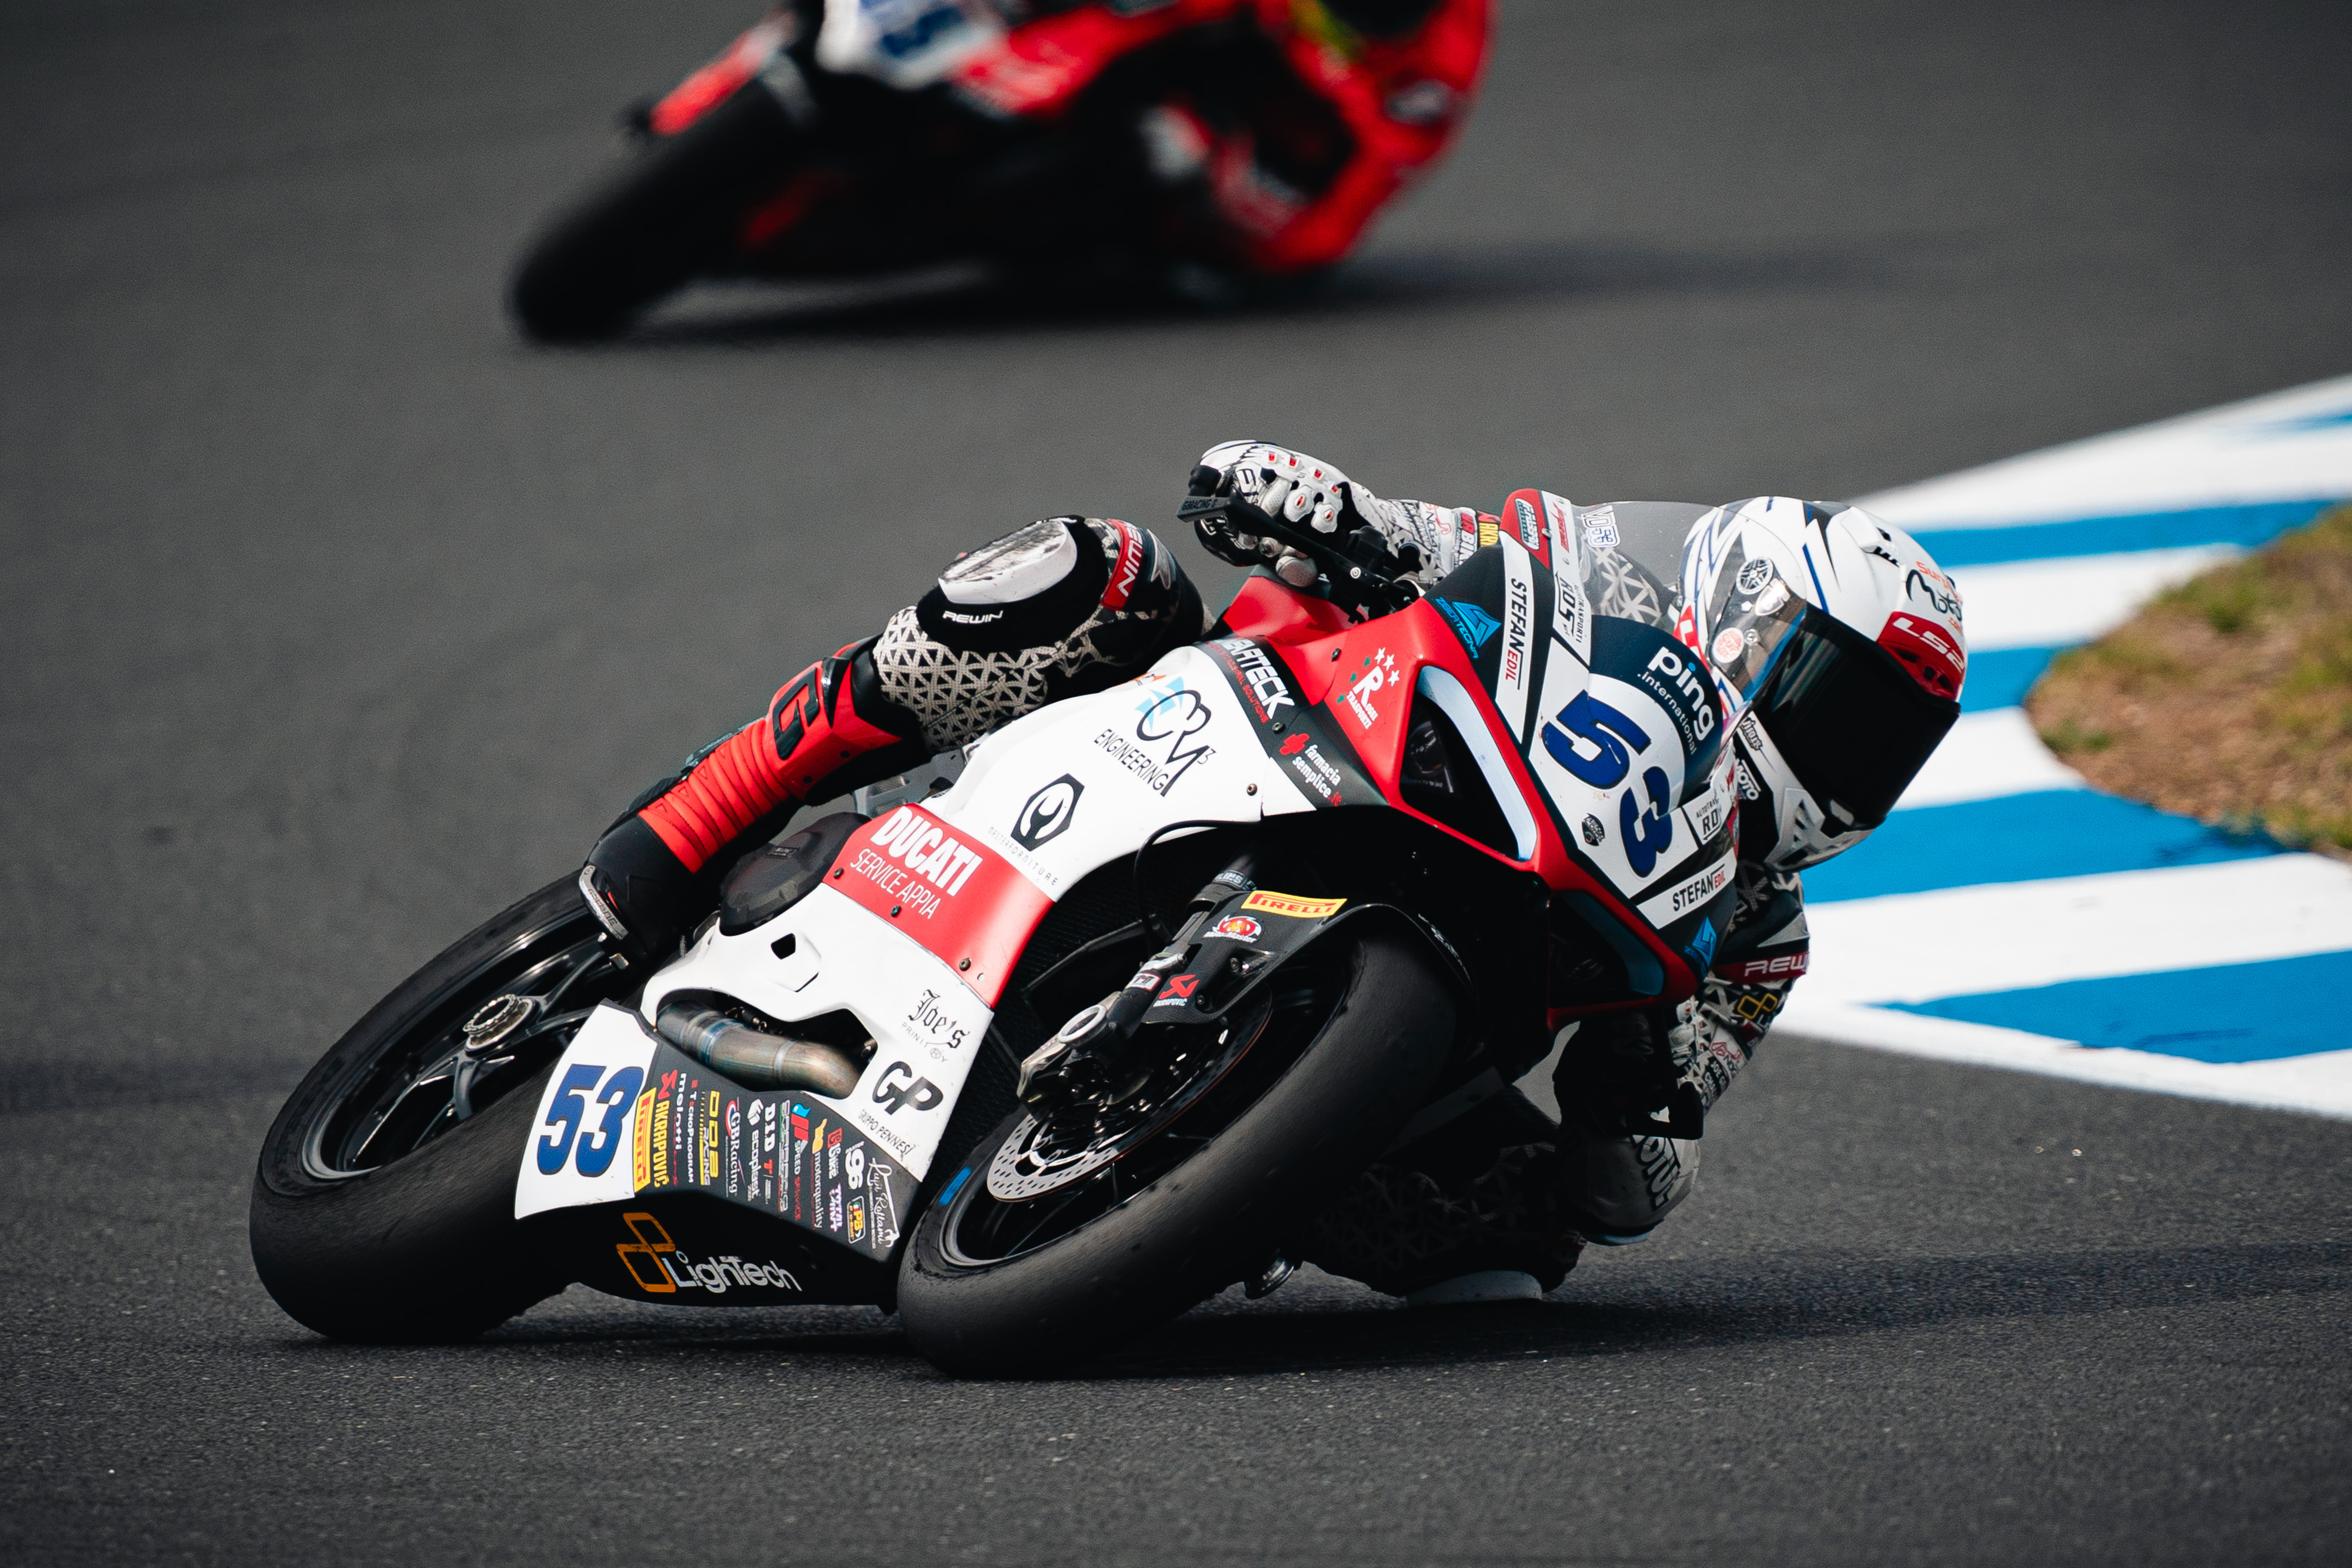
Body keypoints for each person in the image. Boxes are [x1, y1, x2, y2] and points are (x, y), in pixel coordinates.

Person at [580, 439, 1967, 1303]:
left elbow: (1635, 1188)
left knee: (1509, 1257)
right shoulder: (1565, 581)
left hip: (1408, 1025)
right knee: (1094, 571)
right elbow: (1379, 523)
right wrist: (1313, 502)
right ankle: (709, 806)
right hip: (1254, 747)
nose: (1845, 760)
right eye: (1831, 700)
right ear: (1735, 610)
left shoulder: (1756, 934)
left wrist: (1648, 1078)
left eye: (1883, 748)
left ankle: (1173, 1186)